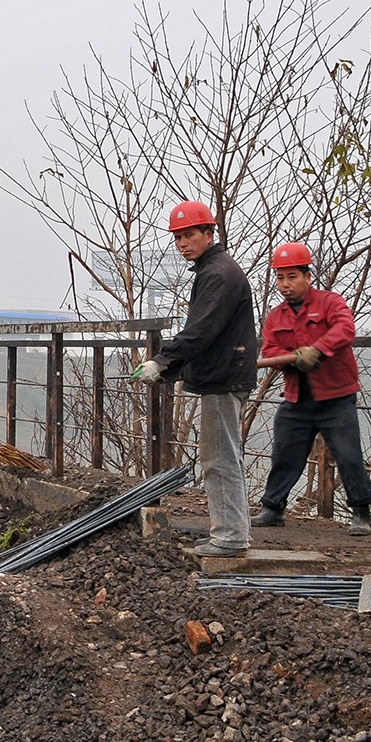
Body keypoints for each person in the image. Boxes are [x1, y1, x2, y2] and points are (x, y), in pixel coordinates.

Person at [132, 200, 259, 557]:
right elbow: (205, 334)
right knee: (222, 455)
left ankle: (231, 537)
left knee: (219, 458)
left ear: (209, 233)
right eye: (178, 237)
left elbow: (200, 331)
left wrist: (161, 361)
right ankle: (229, 532)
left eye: (189, 235)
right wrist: (169, 368)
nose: (183, 243)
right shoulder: (214, 270)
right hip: (225, 372)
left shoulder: (217, 274)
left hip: (223, 377)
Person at [254, 242, 371, 535]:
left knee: (348, 455)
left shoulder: (331, 302)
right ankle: (272, 507)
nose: (285, 284)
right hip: (297, 397)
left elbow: (345, 329)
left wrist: (316, 350)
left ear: (307, 276)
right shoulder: (276, 316)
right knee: (284, 452)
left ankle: (361, 512)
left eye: (292, 276)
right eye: (280, 278)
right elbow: (271, 349)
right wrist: (293, 361)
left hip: (335, 396)